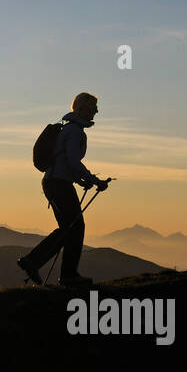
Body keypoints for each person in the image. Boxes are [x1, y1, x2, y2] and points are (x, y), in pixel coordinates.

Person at [18, 93, 110, 287]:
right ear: (83, 109)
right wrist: (94, 181)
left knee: (68, 228)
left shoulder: (67, 129)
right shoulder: (75, 132)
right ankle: (64, 273)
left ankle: (37, 263)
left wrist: (79, 180)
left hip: (53, 182)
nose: (96, 111)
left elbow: (64, 162)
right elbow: (73, 162)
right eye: (93, 107)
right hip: (59, 184)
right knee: (75, 227)